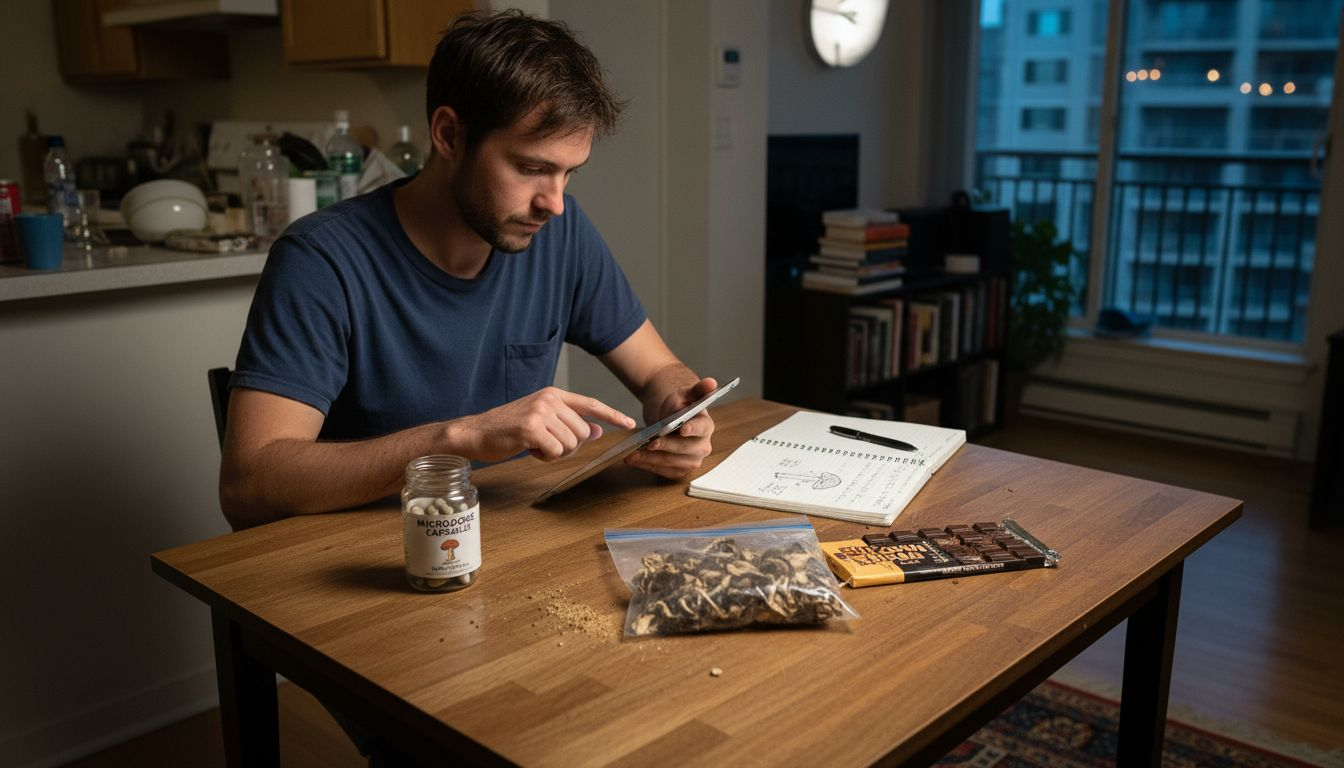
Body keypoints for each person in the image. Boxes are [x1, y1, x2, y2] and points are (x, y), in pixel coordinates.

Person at [219, 9, 718, 532]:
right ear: (449, 135)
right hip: (365, 569)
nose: (555, 203)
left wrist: (680, 412)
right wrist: (458, 440)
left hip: (507, 550)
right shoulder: (321, 259)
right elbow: (247, 486)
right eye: (530, 168)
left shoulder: (559, 234)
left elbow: (660, 371)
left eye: (568, 173)